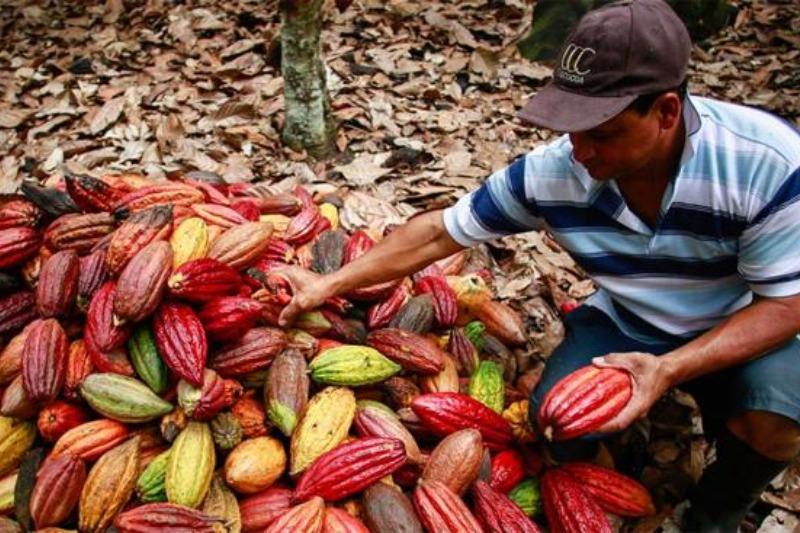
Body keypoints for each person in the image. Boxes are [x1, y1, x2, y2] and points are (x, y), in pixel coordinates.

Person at [277, 0, 800, 530]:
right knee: (558, 422)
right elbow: (438, 231)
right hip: (629, 321)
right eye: (571, 127)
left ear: (665, 112)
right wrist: (328, 284)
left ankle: (714, 514)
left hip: (744, 320)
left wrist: (669, 371)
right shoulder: (557, 174)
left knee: (777, 420)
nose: (579, 150)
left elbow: (789, 304)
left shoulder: (764, 163)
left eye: (601, 132)